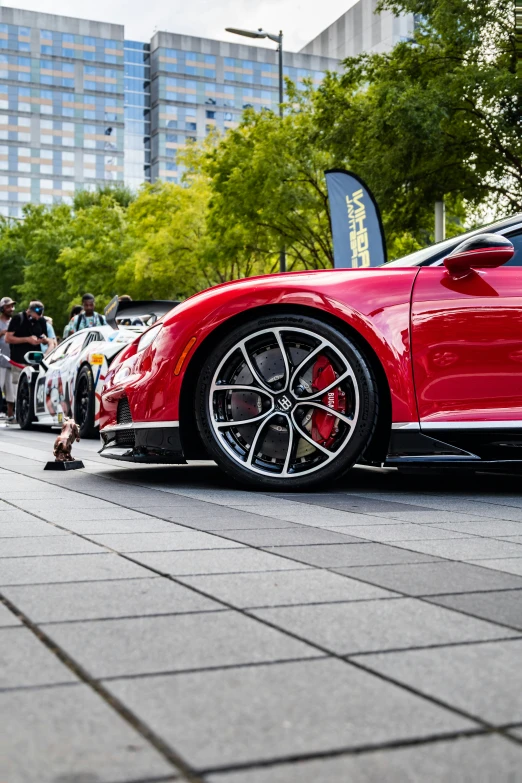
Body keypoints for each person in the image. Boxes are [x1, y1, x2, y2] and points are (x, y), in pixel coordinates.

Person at [6, 301, 49, 368]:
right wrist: (27, 339)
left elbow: (46, 339)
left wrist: (43, 339)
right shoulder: (18, 318)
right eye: (35, 317)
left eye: (39, 317)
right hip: (19, 361)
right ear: (29, 311)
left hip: (35, 360)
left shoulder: (41, 320)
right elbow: (7, 338)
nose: (37, 319)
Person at [0, 296, 16, 421]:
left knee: (11, 389)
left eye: (12, 306)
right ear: (2, 308)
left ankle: (10, 415)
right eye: (8, 306)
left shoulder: (15, 322)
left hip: (12, 360)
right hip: (0, 361)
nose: (11, 308)